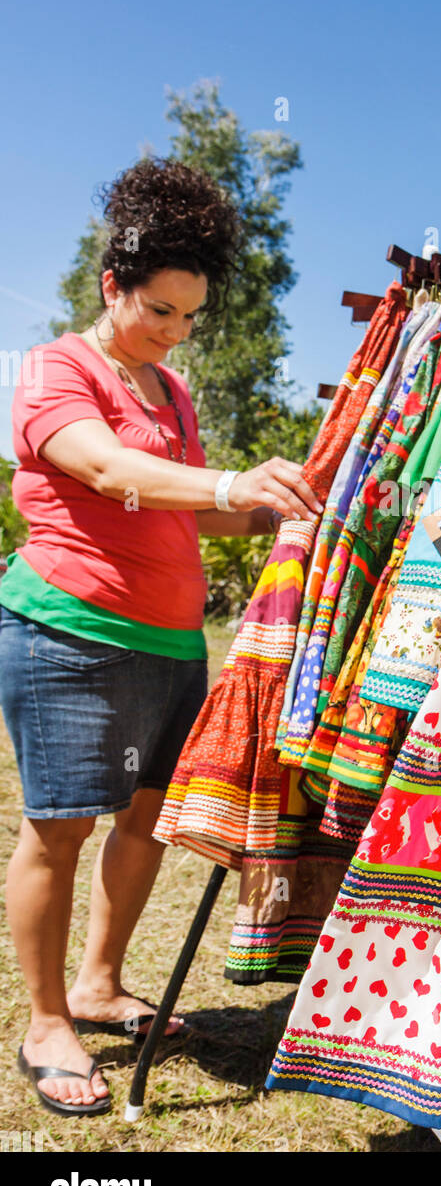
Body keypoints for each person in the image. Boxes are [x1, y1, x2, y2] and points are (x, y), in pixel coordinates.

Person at [0, 158, 322, 1116]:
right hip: (71, 632)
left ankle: (99, 984)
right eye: (160, 312)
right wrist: (229, 483)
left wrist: (279, 510)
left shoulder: (171, 395)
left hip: (174, 641)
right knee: (59, 829)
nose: (177, 333)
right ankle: (46, 1020)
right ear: (113, 286)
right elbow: (104, 471)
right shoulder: (58, 370)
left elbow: (183, 513)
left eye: (191, 317)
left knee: (146, 820)